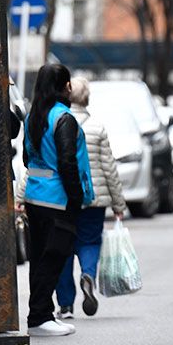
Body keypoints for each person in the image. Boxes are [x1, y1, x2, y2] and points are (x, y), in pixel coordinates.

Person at [21, 64, 95, 337]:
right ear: (63, 86)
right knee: (54, 258)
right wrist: (76, 199)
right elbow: (67, 162)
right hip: (58, 199)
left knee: (40, 258)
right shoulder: (64, 119)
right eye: (67, 84)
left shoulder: (33, 118)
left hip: (35, 196)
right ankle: (40, 316)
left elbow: (28, 160)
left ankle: (41, 314)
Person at [54, 77, 128, 320]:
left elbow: (43, 161)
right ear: (86, 99)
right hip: (94, 199)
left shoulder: (57, 122)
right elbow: (109, 167)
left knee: (62, 250)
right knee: (89, 241)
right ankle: (87, 275)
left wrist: (22, 194)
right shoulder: (97, 127)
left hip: (63, 197)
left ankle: (65, 305)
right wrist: (118, 203)